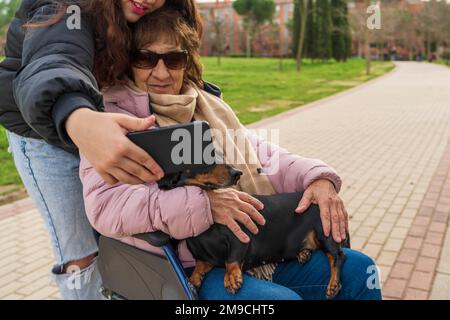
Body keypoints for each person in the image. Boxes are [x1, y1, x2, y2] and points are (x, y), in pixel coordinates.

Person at [79, 8, 382, 300]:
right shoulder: (110, 119)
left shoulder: (209, 107)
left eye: (173, 59)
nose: (161, 71)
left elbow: (265, 158)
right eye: (145, 58)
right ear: (129, 60)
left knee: (359, 270)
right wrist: (203, 205)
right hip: (190, 262)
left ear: (187, 62)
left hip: (254, 245)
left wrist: (318, 179)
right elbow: (106, 206)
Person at [0, 0, 219, 300]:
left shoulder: (171, 7)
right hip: (45, 127)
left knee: (123, 225)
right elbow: (56, 55)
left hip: (108, 113)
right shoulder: (68, 6)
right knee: (80, 248)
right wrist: (77, 118)